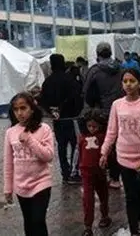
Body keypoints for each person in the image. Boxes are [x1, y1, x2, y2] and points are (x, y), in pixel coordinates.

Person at [100, 69, 140, 236]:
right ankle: (134, 230)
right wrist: (104, 152)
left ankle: (139, 223)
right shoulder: (117, 105)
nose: (128, 84)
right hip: (123, 159)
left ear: (139, 84)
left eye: (132, 81)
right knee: (130, 196)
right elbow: (112, 131)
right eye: (125, 81)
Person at [4, 92, 54, 236]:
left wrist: (30, 140)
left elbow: (48, 156)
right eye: (16, 109)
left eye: (23, 108)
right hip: (21, 186)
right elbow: (8, 163)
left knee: (38, 221)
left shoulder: (44, 129)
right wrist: (8, 188)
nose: (20, 113)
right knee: (28, 222)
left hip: (41, 183)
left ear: (32, 109)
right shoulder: (10, 132)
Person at [83, 42, 123, 188]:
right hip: (119, 111)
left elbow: (86, 92)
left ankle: (101, 175)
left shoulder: (94, 71)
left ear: (98, 54)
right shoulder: (121, 68)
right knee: (117, 145)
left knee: (101, 143)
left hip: (101, 114)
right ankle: (115, 178)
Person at [39, 53, 83, 184]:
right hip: (72, 118)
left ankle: (65, 173)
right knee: (75, 145)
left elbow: (42, 100)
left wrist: (52, 112)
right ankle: (74, 172)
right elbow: (78, 97)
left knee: (61, 146)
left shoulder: (47, 82)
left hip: (57, 120)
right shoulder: (70, 79)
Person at [78, 109, 112, 236]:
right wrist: (79, 167)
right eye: (89, 126)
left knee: (103, 196)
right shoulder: (82, 138)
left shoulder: (104, 138)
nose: (92, 129)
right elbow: (80, 154)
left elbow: (109, 153)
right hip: (86, 173)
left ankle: (105, 216)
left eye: (95, 126)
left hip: (100, 172)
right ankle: (88, 226)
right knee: (88, 199)